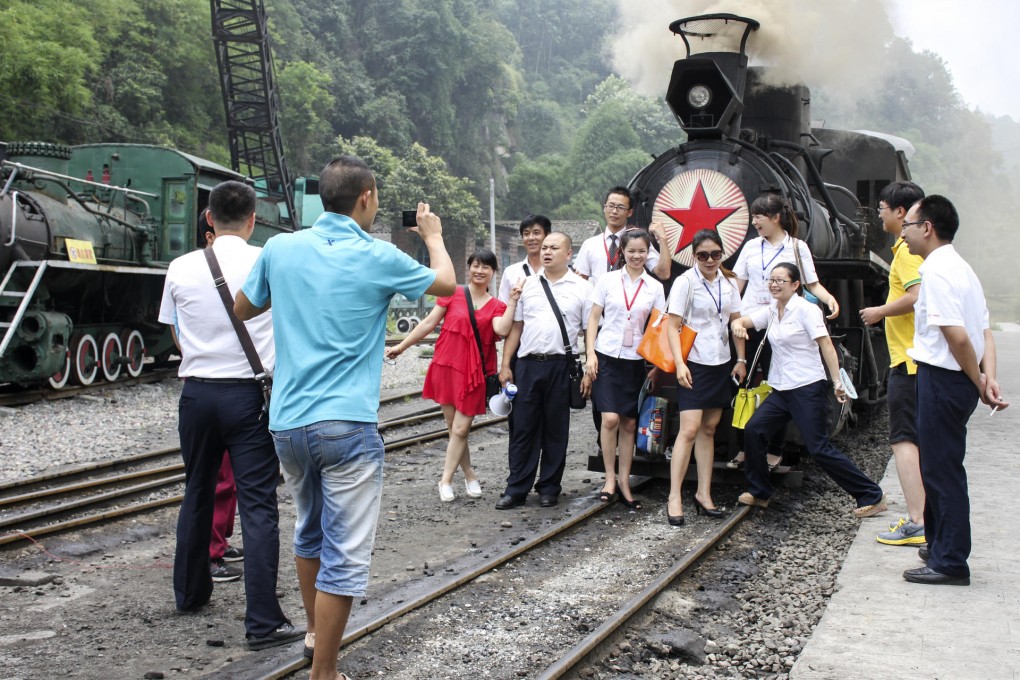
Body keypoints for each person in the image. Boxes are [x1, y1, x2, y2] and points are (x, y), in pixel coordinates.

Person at [235, 155, 456, 679]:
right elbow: (445, 285)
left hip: (288, 424)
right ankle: (325, 672)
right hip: (347, 428)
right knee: (345, 555)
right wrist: (433, 235)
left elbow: (244, 309)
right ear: (366, 197)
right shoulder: (377, 255)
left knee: (309, 533)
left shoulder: (280, 248)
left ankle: (315, 636)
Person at [157, 180, 300, 650]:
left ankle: (190, 594)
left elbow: (177, 334)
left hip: (196, 395)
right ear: (254, 218)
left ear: (208, 219)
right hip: (250, 398)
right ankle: (262, 622)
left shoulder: (179, 266)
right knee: (257, 504)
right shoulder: (269, 261)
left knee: (196, 490)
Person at [900, 195, 1008, 586]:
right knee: (937, 466)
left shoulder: (938, 272)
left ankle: (950, 562)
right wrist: (987, 374)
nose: (904, 235)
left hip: (944, 379)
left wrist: (979, 380)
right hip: (954, 378)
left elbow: (958, 336)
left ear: (927, 228)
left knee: (942, 471)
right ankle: (939, 543)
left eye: (908, 227)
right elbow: (983, 332)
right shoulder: (963, 269)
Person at [730, 262, 887, 517]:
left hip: (807, 387)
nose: (774, 284)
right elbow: (746, 320)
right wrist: (738, 324)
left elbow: (826, 344)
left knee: (818, 448)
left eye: (781, 280)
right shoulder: (772, 309)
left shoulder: (806, 310)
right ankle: (760, 491)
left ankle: (871, 495)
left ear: (795, 285)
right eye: (771, 279)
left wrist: (837, 381)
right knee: (754, 430)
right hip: (781, 389)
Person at [386, 249, 515, 502]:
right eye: (475, 265)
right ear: (468, 267)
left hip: (475, 372)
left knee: (461, 428)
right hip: (446, 366)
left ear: (493, 272)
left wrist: (513, 302)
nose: (480, 271)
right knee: (454, 429)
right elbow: (428, 323)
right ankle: (469, 474)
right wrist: (401, 347)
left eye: (485, 267)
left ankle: (445, 479)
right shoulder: (453, 294)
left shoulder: (498, 305)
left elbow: (502, 328)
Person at [728, 193, 841, 471]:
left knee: (773, 387)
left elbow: (811, 284)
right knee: (744, 386)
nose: (754, 221)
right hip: (751, 320)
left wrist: (829, 299)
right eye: (753, 216)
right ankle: (743, 448)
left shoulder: (797, 247)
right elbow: (737, 286)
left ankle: (774, 450)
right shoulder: (752, 247)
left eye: (759, 216)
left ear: (776, 217)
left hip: (781, 322)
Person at [496, 232, 592, 509]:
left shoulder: (582, 287)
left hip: (561, 366)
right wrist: (505, 365)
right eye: (545, 247)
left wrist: (588, 366)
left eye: (554, 248)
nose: (547, 252)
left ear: (569, 253)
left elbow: (588, 331)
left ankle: (549, 486)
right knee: (522, 428)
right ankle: (516, 488)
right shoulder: (527, 284)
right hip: (527, 365)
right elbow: (516, 328)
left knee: (555, 429)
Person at [859, 181, 927, 546]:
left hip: (909, 361)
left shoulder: (906, 251)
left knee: (903, 442)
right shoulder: (910, 250)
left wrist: (879, 311)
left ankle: (918, 521)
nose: (879, 213)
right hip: (915, 360)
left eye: (882, 207)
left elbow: (917, 295)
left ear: (901, 213)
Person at [665, 230, 746, 526]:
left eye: (715, 254)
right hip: (694, 362)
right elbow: (672, 326)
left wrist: (740, 359)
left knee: (710, 429)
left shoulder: (729, 283)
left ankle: (703, 493)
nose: (710, 260)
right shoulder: (685, 283)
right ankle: (674, 496)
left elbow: (736, 321)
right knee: (689, 429)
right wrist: (679, 363)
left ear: (722, 254)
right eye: (703, 255)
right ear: (694, 256)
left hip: (721, 362)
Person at [585, 230, 666, 510]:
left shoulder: (655, 288)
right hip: (607, 357)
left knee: (630, 423)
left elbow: (659, 330)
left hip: (635, 361)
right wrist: (590, 354)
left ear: (648, 254)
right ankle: (609, 479)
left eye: (642, 251)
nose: (636, 256)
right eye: (631, 251)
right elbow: (594, 319)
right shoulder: (607, 281)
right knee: (609, 419)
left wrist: (655, 367)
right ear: (623, 252)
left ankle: (624, 482)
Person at [198, 210, 246, 583]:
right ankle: (211, 553)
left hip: (212, 387)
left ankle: (222, 540)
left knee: (227, 478)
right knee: (219, 479)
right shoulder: (196, 272)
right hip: (226, 386)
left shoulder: (187, 271)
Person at [498, 215, 551, 303]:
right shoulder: (511, 272)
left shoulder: (558, 271)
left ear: (547, 235)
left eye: (536, 233)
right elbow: (502, 307)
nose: (531, 238)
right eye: (526, 234)